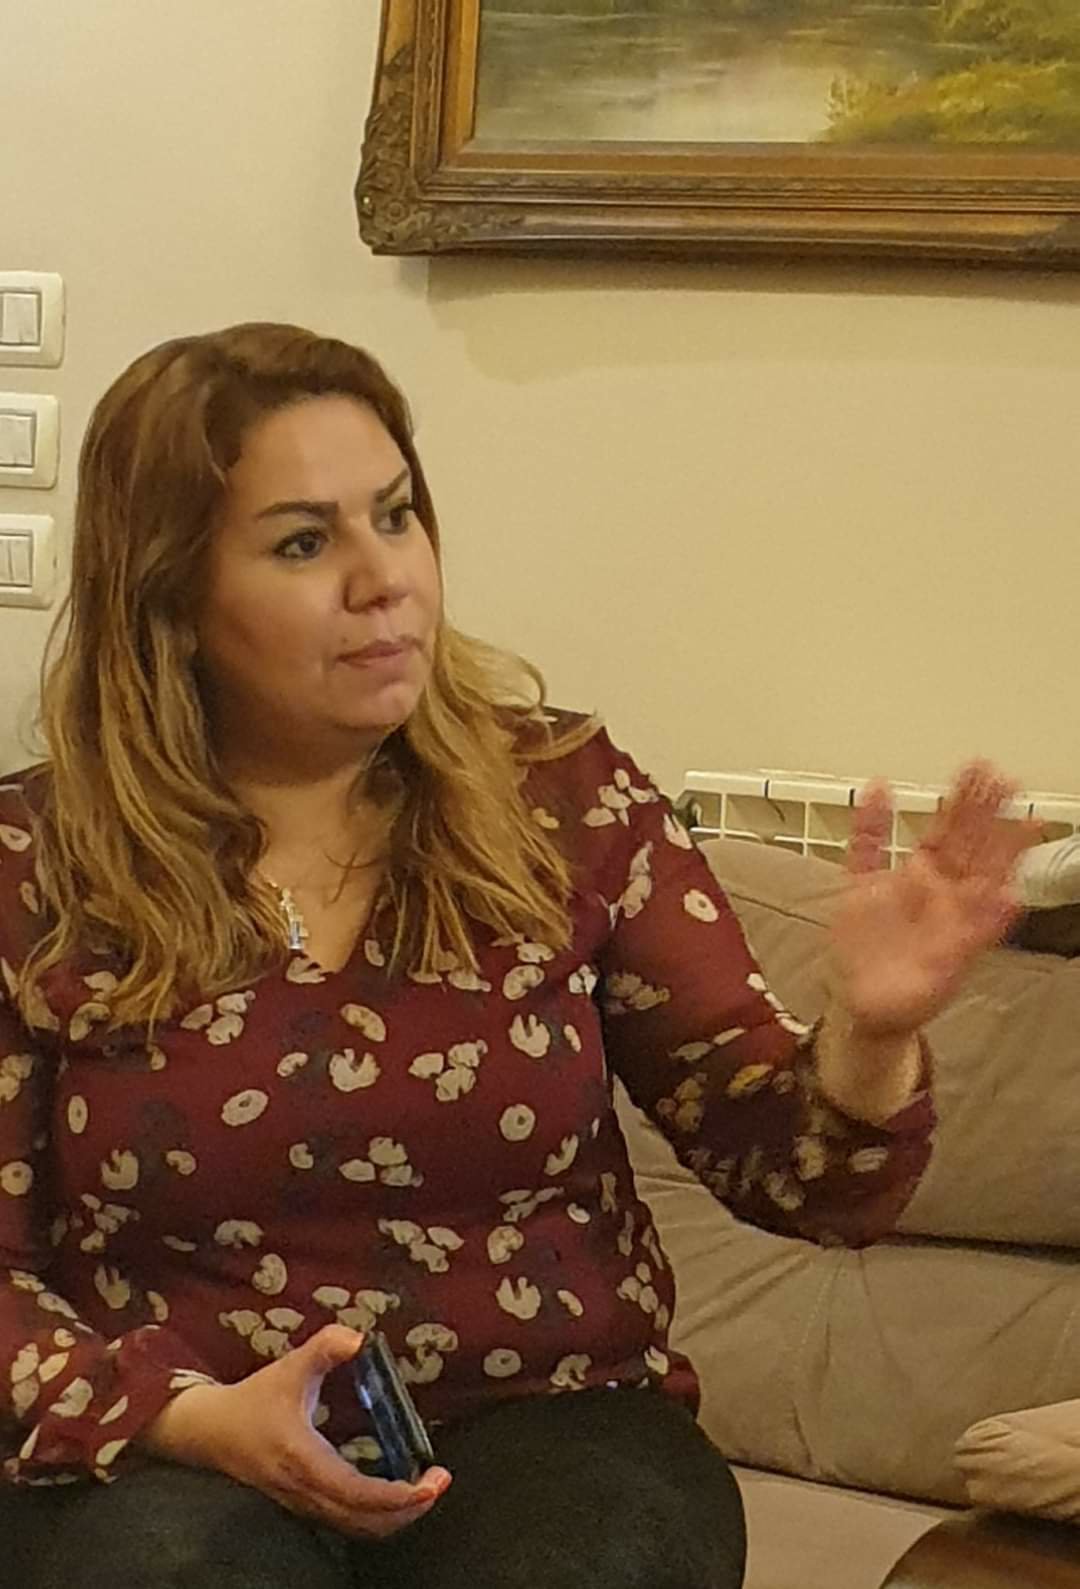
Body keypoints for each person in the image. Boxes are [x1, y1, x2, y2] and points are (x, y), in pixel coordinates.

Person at [0, 323, 1029, 1589]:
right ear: (172, 595)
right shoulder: (32, 861)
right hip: (176, 1444)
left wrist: (872, 1030)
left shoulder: (564, 799)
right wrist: (189, 1417)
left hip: (553, 1427)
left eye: (397, 515)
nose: (386, 579)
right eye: (305, 542)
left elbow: (806, 1181)